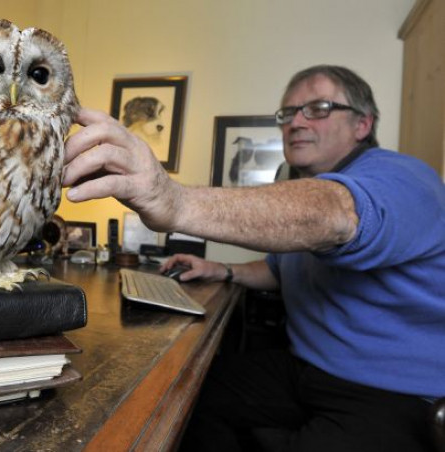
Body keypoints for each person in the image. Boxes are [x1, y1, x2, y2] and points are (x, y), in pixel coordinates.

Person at [62, 65, 445, 451]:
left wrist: (173, 200)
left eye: (318, 108)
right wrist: (223, 269)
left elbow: (335, 216)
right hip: (305, 368)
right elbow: (281, 271)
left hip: (391, 393)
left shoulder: (402, 175)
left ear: (363, 124)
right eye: (287, 113)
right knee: (191, 394)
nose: (295, 122)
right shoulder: (300, 185)